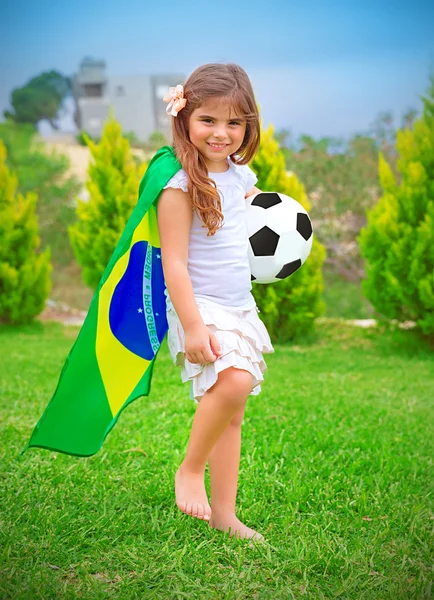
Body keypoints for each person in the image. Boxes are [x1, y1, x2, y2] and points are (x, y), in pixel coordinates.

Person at [157, 63, 275, 542]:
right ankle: (189, 469)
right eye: (208, 120)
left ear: (248, 125)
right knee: (236, 378)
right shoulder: (180, 185)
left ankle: (224, 514)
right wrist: (194, 326)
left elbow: (255, 219)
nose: (221, 133)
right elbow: (175, 265)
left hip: (237, 303)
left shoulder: (241, 174)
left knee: (232, 409)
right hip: (197, 305)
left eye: (234, 122)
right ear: (184, 117)